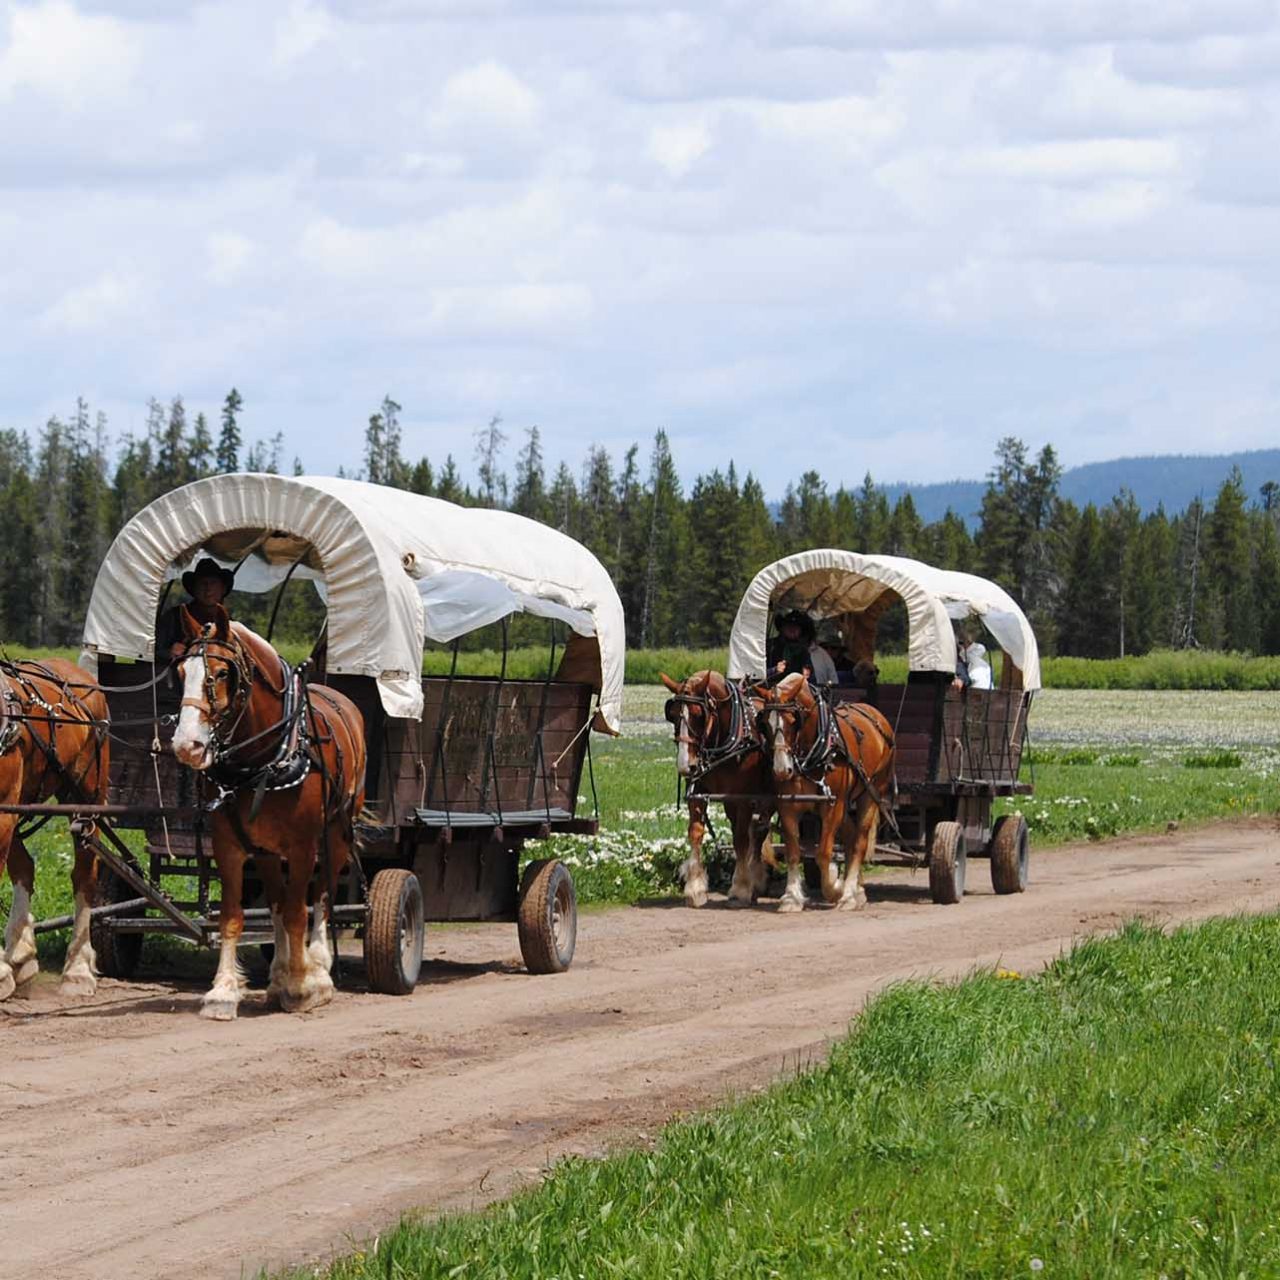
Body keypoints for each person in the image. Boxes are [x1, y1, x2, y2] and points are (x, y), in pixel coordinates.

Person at [155, 557, 235, 663]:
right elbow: (151, 650)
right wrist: (168, 652)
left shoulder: (228, 623)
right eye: (203, 583)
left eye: (213, 583)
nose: (208, 588)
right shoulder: (174, 617)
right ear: (194, 589)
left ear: (223, 589)